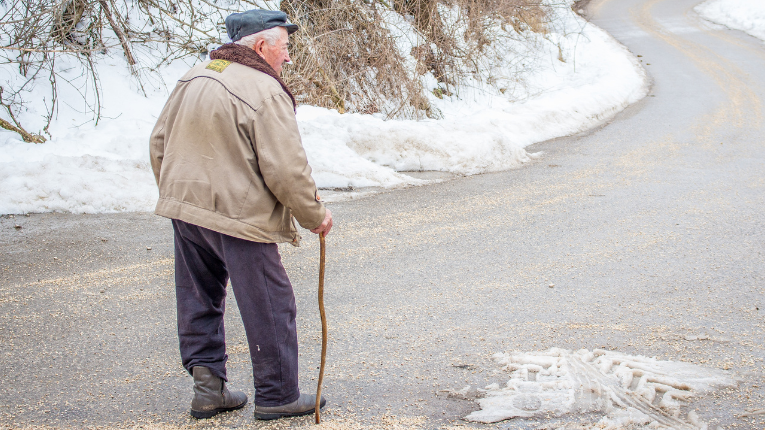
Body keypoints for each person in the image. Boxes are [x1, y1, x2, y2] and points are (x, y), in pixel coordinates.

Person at [149, 9, 333, 421]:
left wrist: (178, 192)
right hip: (237, 214)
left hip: (186, 207)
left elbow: (158, 142)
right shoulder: (264, 90)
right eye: (285, 48)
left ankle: (208, 390)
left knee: (199, 298)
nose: (288, 58)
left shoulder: (194, 75)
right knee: (271, 303)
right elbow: (286, 168)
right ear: (262, 45)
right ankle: (279, 395)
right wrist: (313, 214)